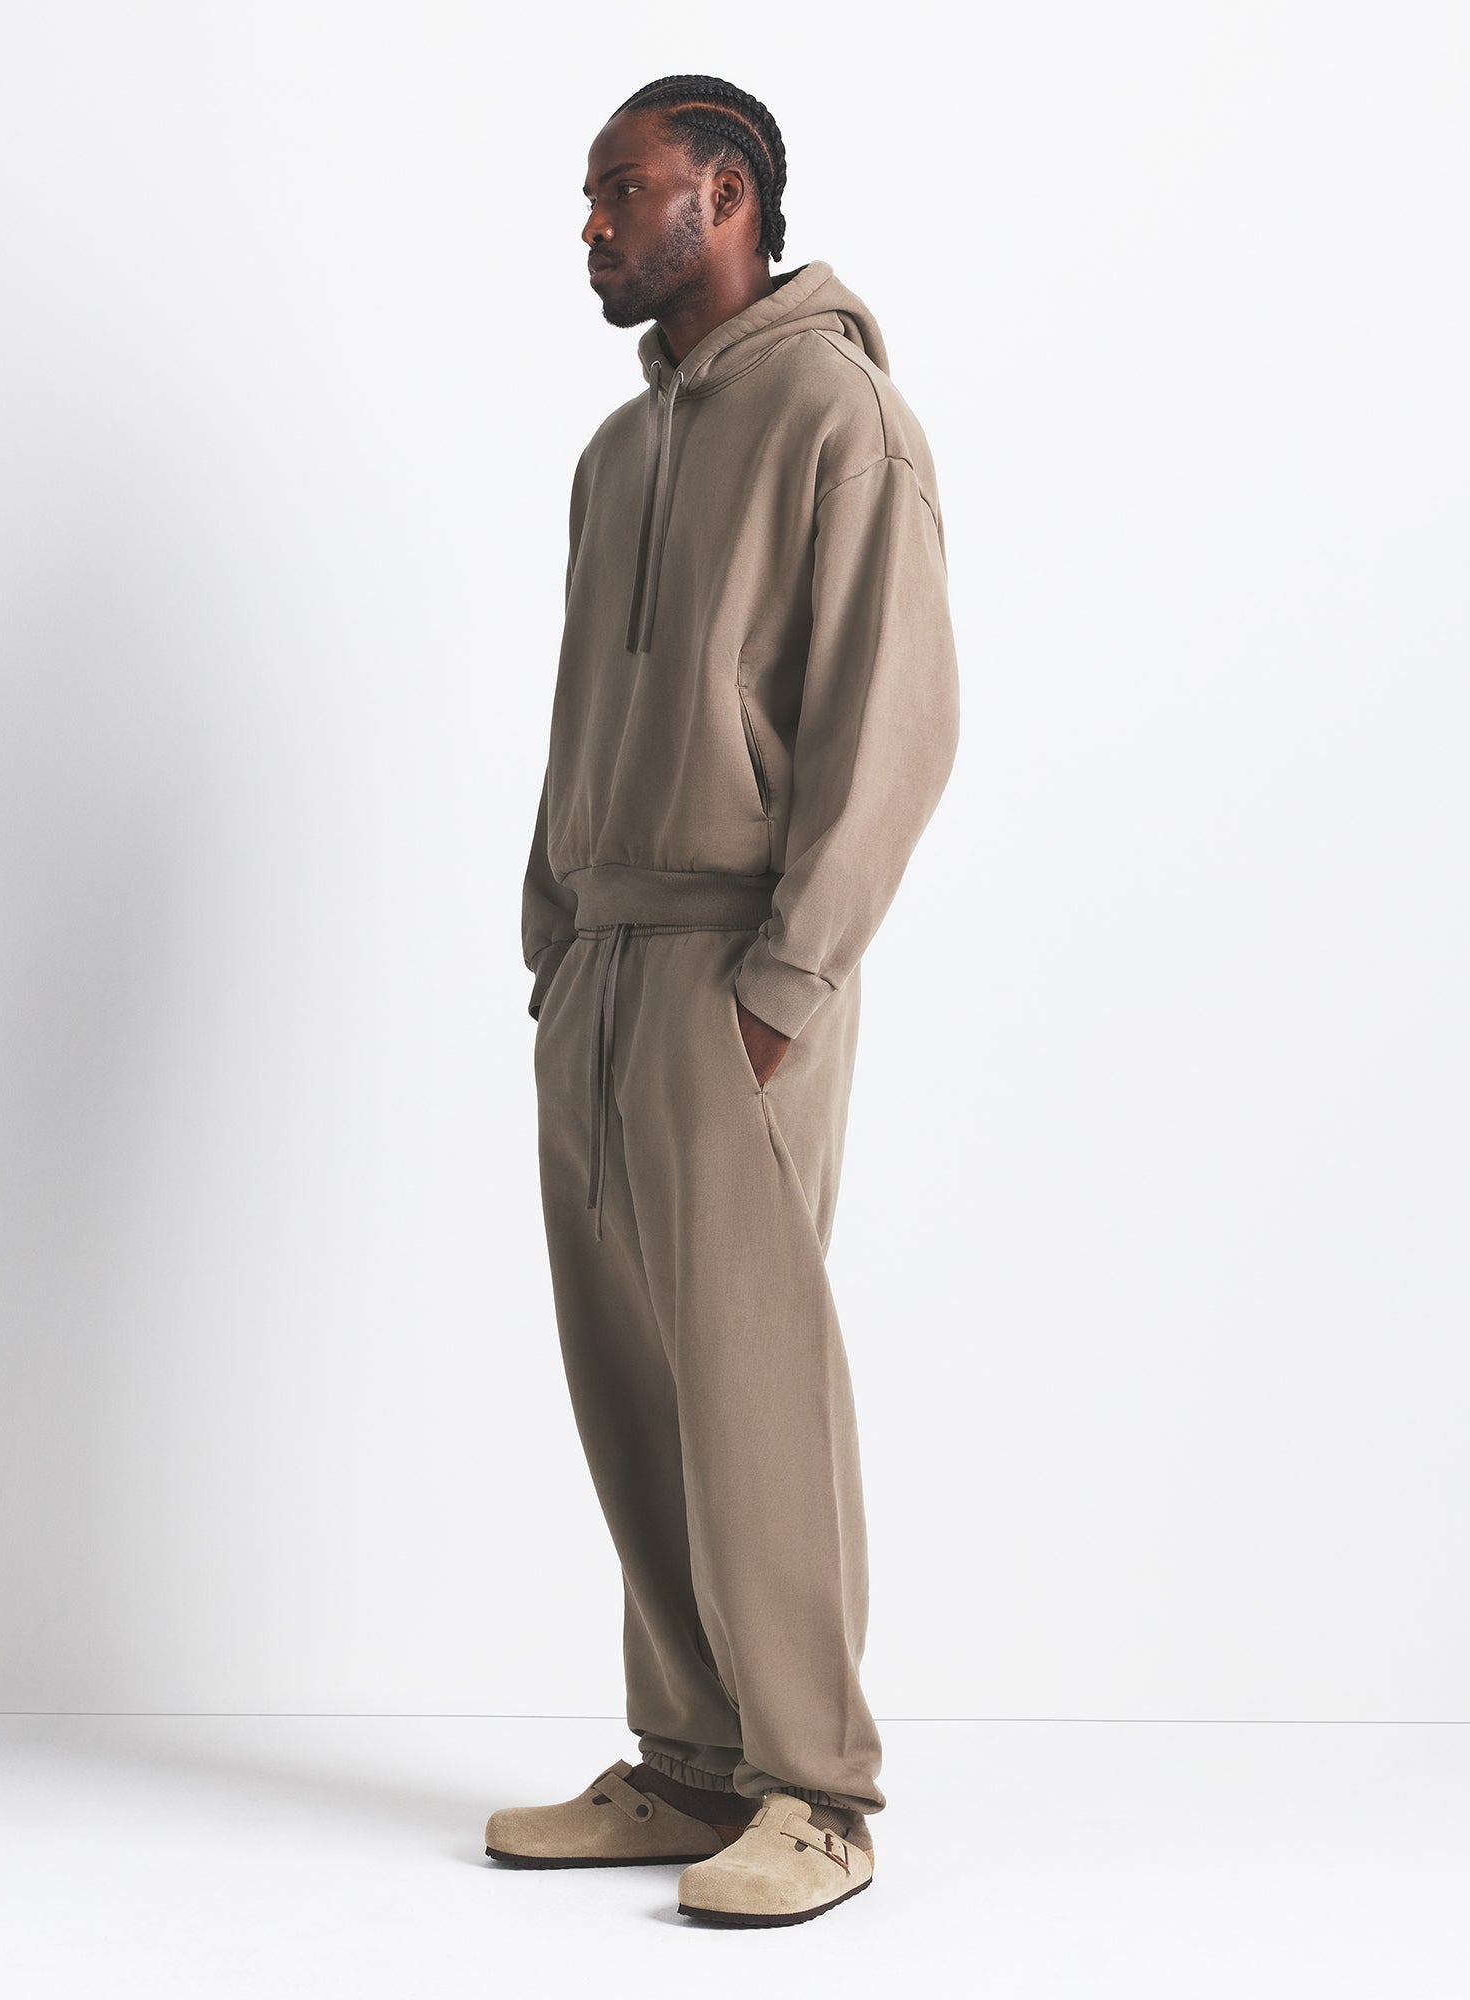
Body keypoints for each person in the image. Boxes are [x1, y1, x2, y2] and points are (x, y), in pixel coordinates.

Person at [486, 73, 960, 1929]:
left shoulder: (843, 417)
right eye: (593, 194)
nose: (593, 224)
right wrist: (552, 935)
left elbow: (895, 723)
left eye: (625, 189)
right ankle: (689, 1762)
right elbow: (577, 713)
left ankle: (817, 1792)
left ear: (730, 195)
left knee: (755, 1384)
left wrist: (788, 979)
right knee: (631, 1383)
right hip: (603, 963)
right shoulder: (617, 456)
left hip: (733, 963)